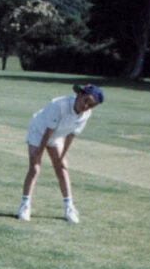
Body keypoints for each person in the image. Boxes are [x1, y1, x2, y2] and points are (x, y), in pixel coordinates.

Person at [17, 83, 104, 223]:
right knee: (34, 168)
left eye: (91, 105)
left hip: (57, 136)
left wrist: (62, 157)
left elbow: (71, 136)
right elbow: (47, 133)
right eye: (86, 101)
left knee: (62, 169)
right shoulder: (58, 105)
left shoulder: (86, 114)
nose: (86, 106)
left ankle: (69, 207)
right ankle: (24, 206)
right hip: (39, 131)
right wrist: (38, 153)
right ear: (79, 94)